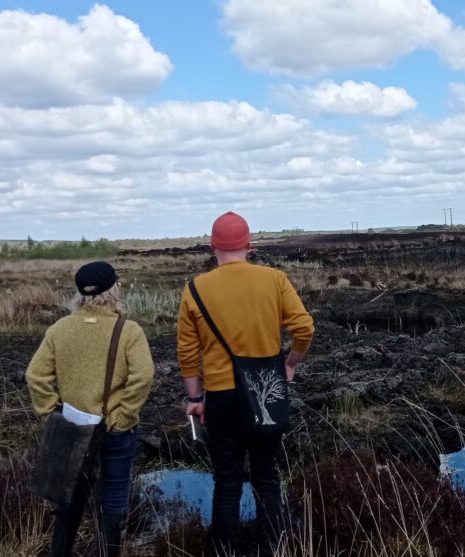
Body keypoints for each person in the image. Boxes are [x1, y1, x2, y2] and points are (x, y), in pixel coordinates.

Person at [177, 212, 315, 555]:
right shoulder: (275, 279)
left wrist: (195, 398)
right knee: (267, 479)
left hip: (221, 398)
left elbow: (187, 352)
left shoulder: (194, 289)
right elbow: (305, 329)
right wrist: (291, 363)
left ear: (213, 247)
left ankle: (224, 551)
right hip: (267, 394)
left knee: (226, 483)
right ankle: (276, 548)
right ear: (249, 245)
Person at [26, 261, 155, 557]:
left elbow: (35, 375)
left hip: (73, 429)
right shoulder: (128, 331)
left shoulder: (60, 329)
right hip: (115, 431)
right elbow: (143, 376)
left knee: (69, 498)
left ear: (80, 294)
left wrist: (51, 412)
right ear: (114, 289)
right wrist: (124, 416)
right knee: (113, 499)